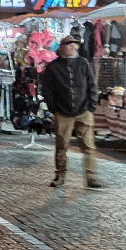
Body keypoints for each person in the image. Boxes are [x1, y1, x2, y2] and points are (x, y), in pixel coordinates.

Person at [41, 35, 102, 188]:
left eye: (74, 45)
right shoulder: (53, 67)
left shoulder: (83, 63)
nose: (72, 48)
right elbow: (47, 90)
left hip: (83, 110)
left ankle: (90, 176)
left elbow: (92, 85)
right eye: (69, 45)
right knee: (61, 145)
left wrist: (91, 106)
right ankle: (60, 175)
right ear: (62, 47)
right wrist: (53, 108)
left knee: (88, 145)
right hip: (63, 112)